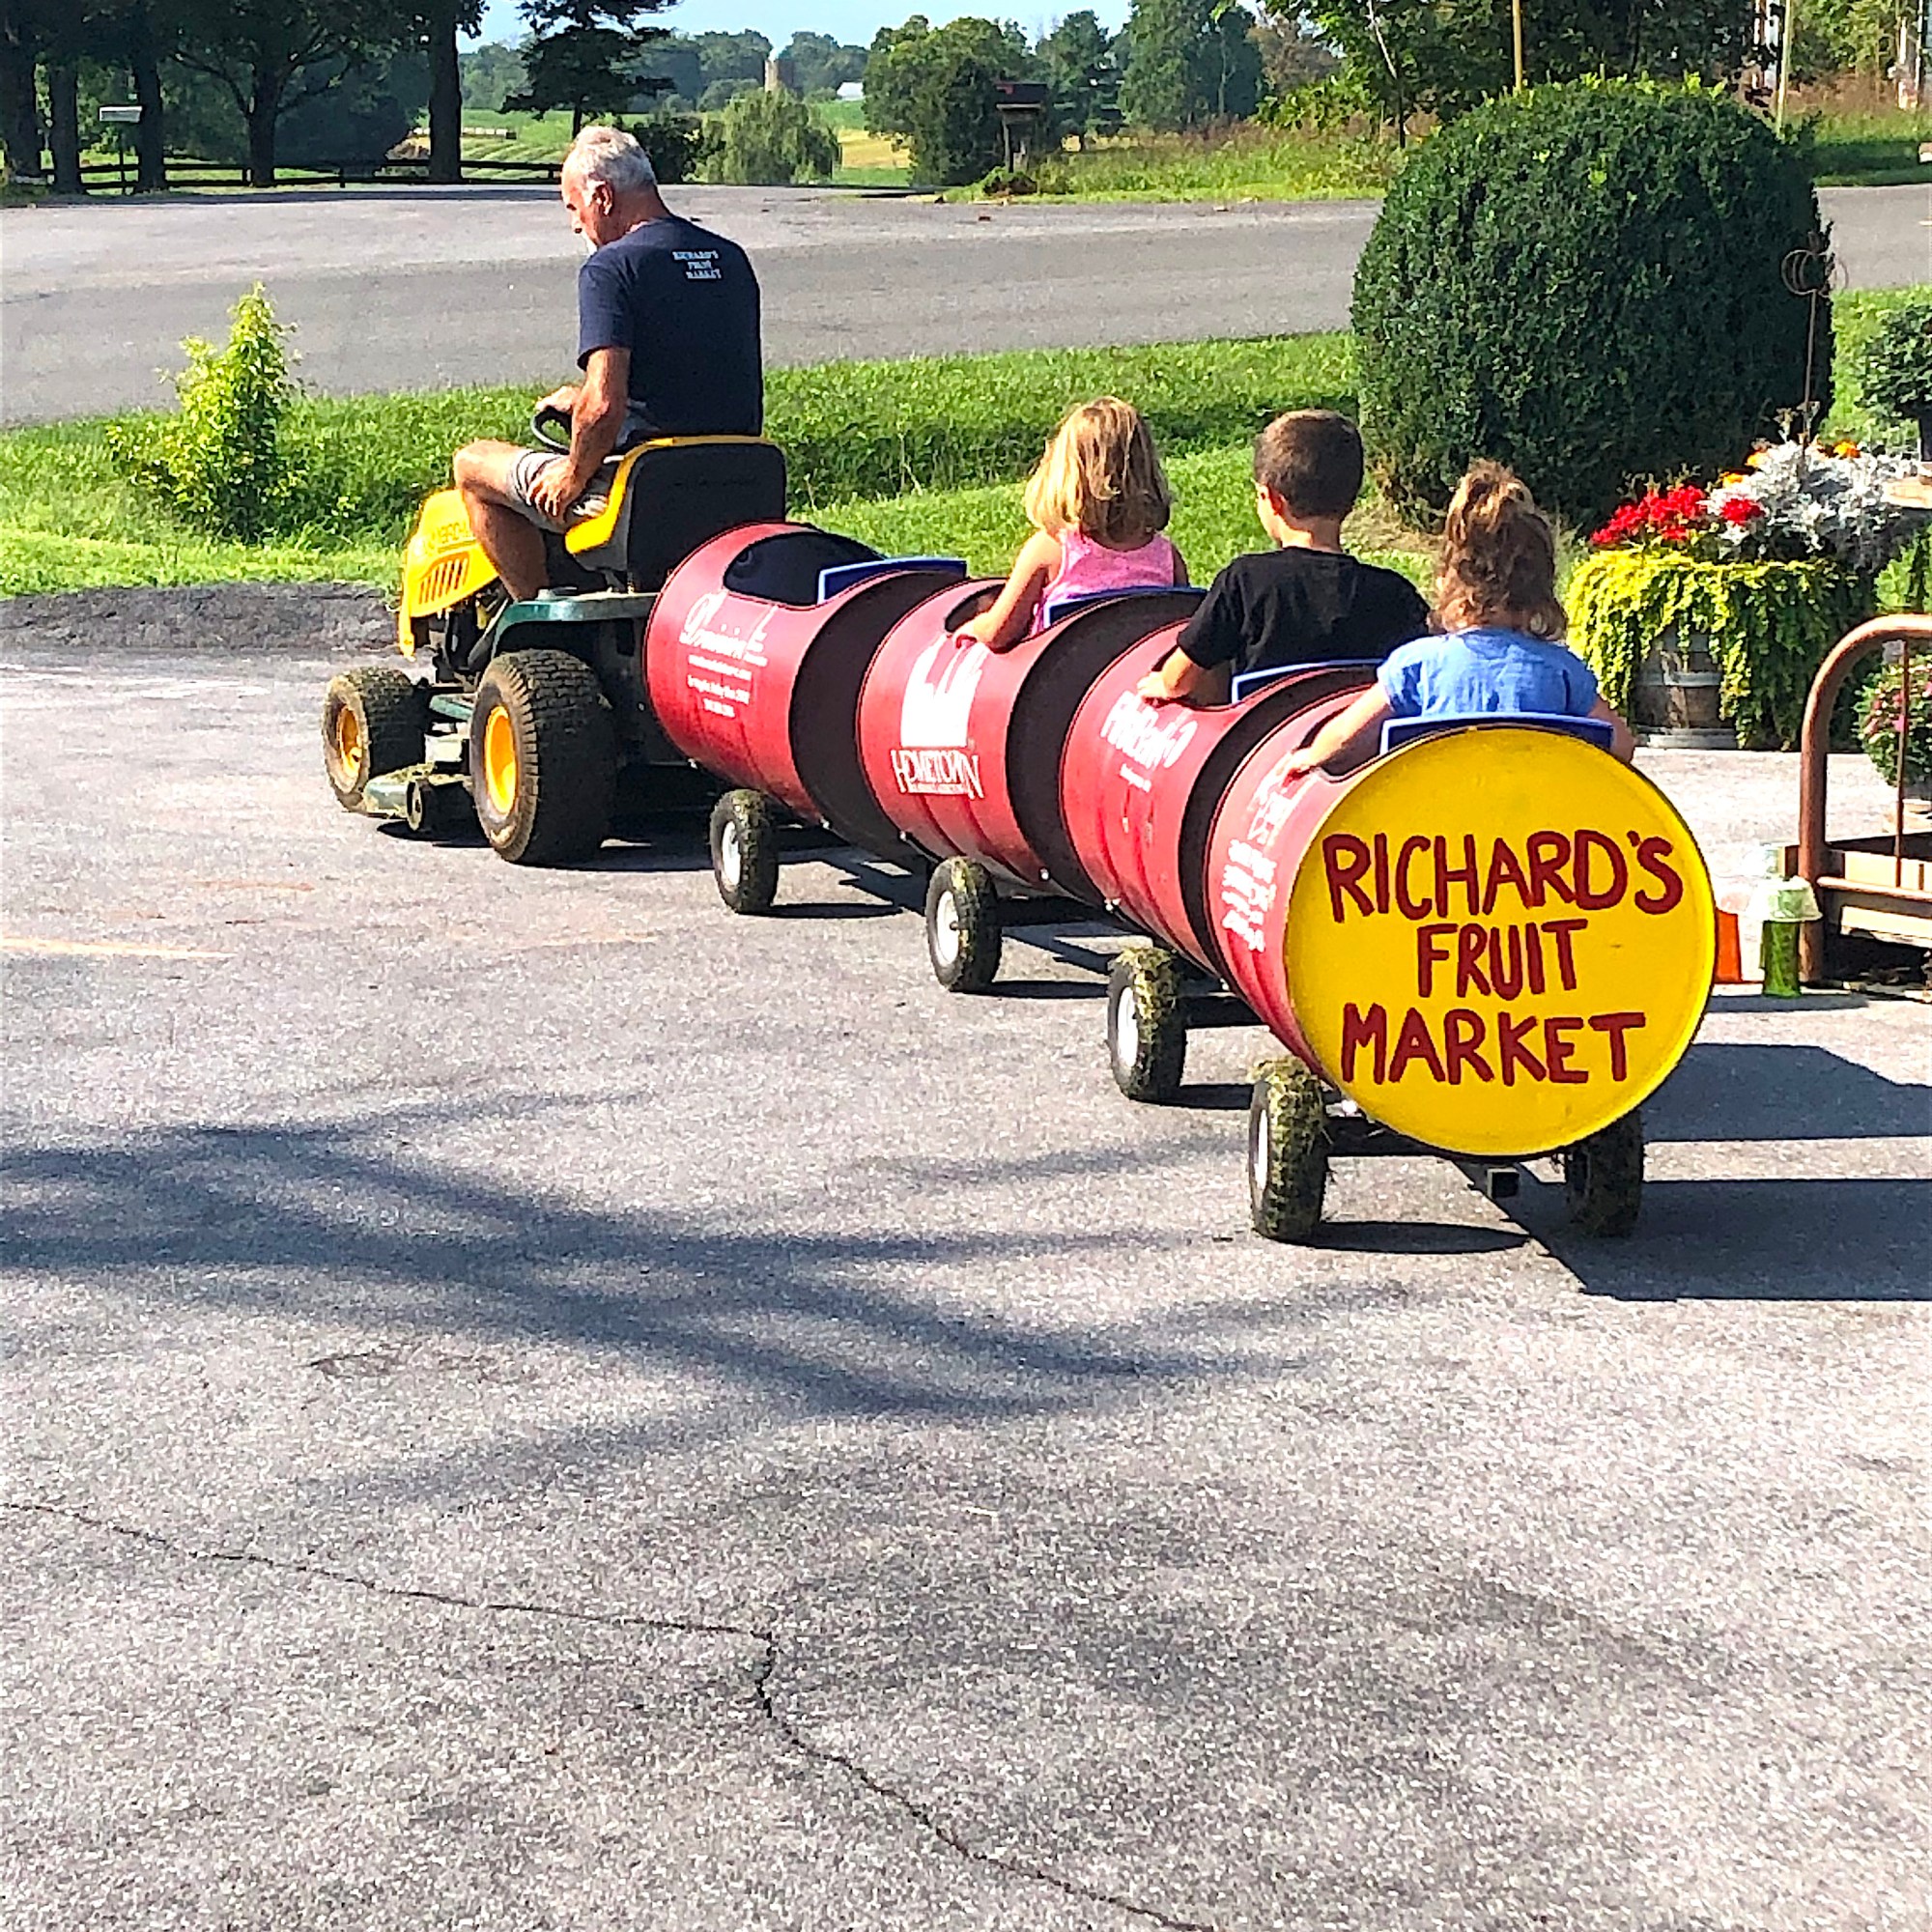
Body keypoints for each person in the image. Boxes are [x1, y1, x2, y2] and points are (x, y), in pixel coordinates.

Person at [451, 125, 763, 603]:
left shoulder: (612, 268)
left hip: (644, 495)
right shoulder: (731, 259)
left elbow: (602, 407)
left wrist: (573, 475)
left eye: (573, 208)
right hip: (737, 487)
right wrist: (577, 401)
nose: (576, 225)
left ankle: (538, 618)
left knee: (472, 465)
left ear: (602, 196)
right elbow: (694, 379)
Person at [1277, 461, 1635, 777]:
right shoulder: (1560, 671)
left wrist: (1311, 754)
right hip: (1533, 823)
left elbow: (1344, 738)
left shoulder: (1416, 665)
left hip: (1437, 821)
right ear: (1539, 593)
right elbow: (1621, 745)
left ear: (1448, 581)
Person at [1136, 410, 1427, 704]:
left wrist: (1164, 682)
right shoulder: (1395, 595)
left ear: (1272, 499)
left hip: (1264, 731)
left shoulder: (1246, 582)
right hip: (1363, 732)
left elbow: (1180, 678)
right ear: (1351, 500)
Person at [953, 398, 1186, 652]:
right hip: (1138, 670)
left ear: (1068, 472)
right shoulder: (1165, 556)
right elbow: (1181, 628)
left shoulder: (1051, 549)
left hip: (1064, 673)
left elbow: (999, 633)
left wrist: (976, 626)